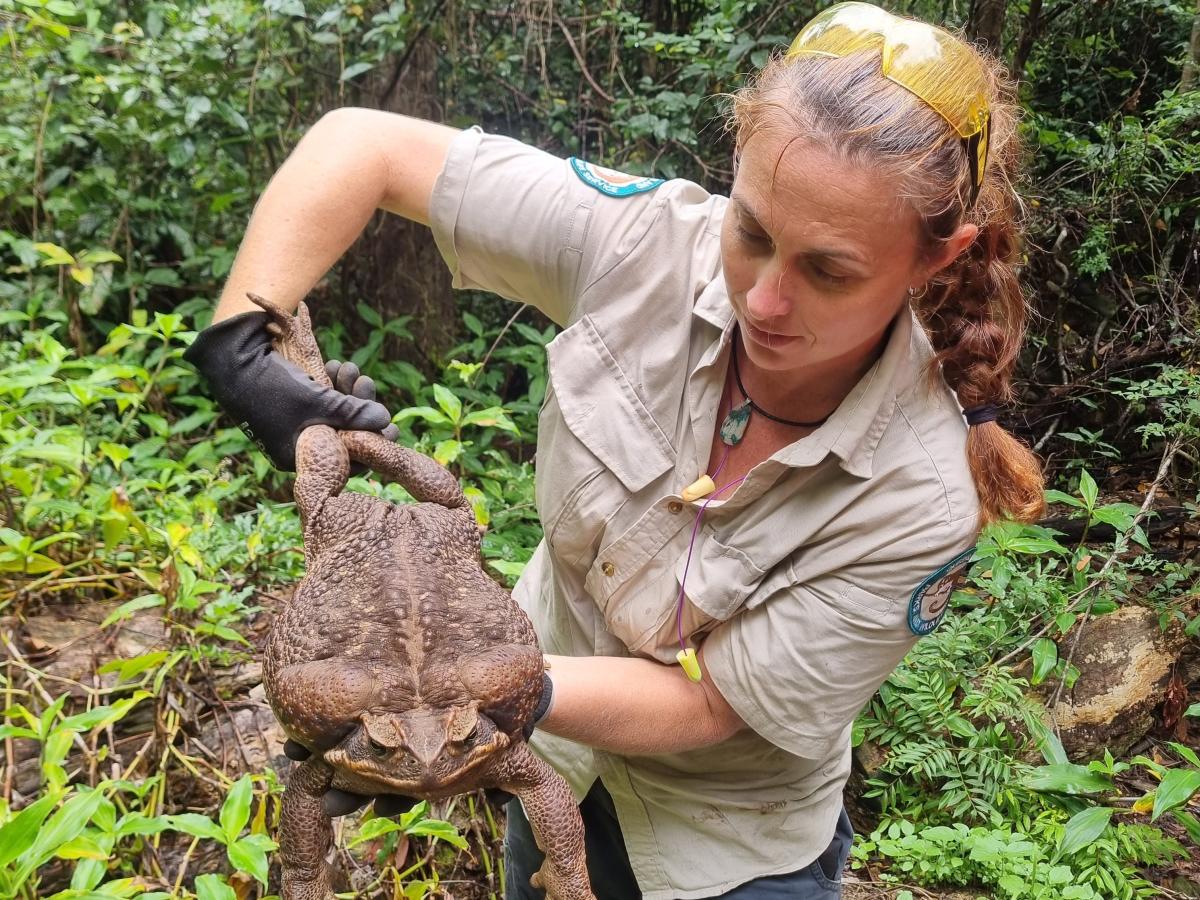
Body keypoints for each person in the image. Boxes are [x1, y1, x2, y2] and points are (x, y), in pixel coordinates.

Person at [185, 3, 1045, 897]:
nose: (765, 300)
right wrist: (243, 350)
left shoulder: (924, 494)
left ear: (940, 258)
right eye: (751, 231)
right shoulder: (646, 245)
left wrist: (454, 697)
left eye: (829, 270)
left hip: (724, 847)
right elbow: (363, 145)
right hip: (548, 767)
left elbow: (712, 701)